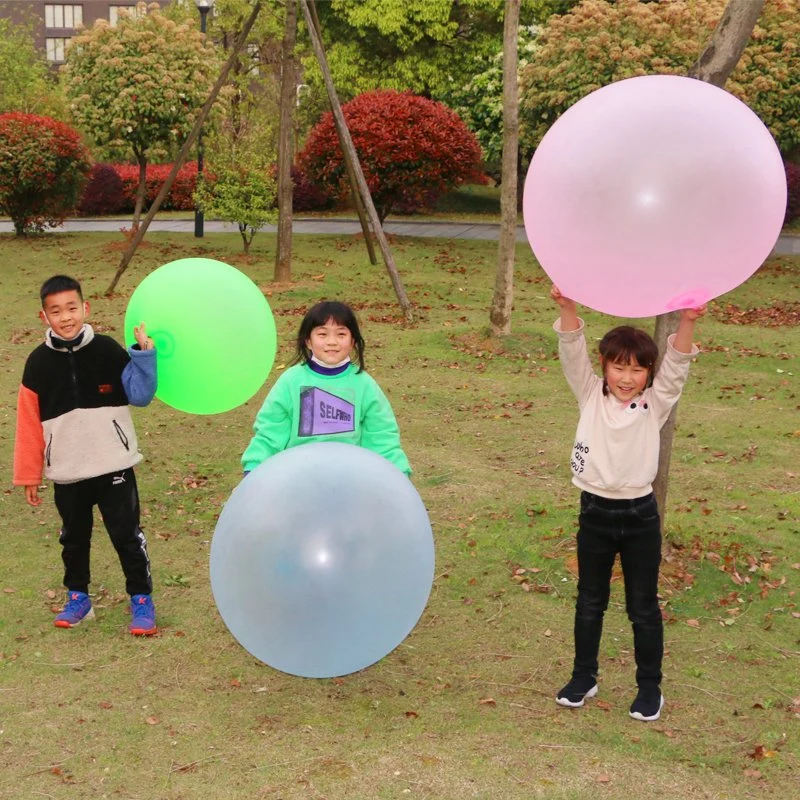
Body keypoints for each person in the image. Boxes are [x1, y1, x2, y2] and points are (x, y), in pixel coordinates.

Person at [551, 284, 705, 722]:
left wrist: (689, 319)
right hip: (595, 512)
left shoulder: (654, 404)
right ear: (604, 367)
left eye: (637, 370)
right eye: (618, 367)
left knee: (642, 605)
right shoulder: (589, 394)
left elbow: (677, 365)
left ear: (648, 374)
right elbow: (571, 350)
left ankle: (650, 688)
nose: (626, 377)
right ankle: (584, 677)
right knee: (589, 600)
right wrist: (568, 306)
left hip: (639, 517)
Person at [13, 275, 159, 636]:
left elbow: (140, 395)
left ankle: (141, 599)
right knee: (74, 538)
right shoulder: (37, 364)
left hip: (113, 465)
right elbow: (29, 423)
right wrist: (29, 473)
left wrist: (144, 355)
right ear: (44, 316)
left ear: (85, 308)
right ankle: (78, 597)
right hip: (68, 470)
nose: (66, 317)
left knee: (126, 535)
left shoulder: (108, 350)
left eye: (72, 308)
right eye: (56, 311)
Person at [242, 300, 410, 476]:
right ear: (308, 341)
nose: (332, 342)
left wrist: (399, 476)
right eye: (322, 334)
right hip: (297, 476)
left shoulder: (364, 385)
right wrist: (253, 468)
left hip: (350, 478)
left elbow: (382, 437)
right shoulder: (290, 382)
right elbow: (270, 432)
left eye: (341, 334)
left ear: (353, 341)